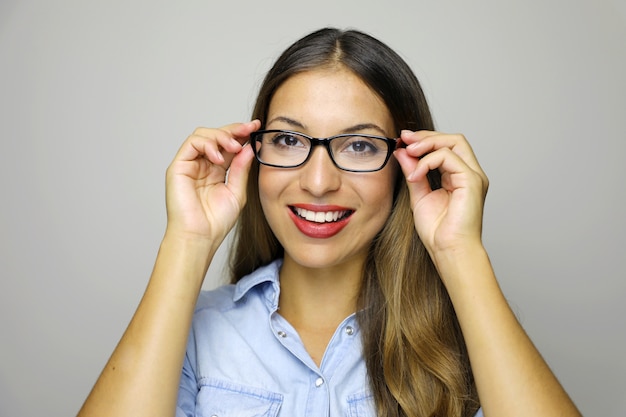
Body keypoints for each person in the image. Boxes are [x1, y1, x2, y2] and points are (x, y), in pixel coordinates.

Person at [77, 28, 581, 417]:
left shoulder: (465, 338)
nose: (319, 182)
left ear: (406, 166)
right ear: (254, 157)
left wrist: (460, 254)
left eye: (359, 145)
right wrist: (187, 240)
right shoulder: (190, 334)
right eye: (290, 141)